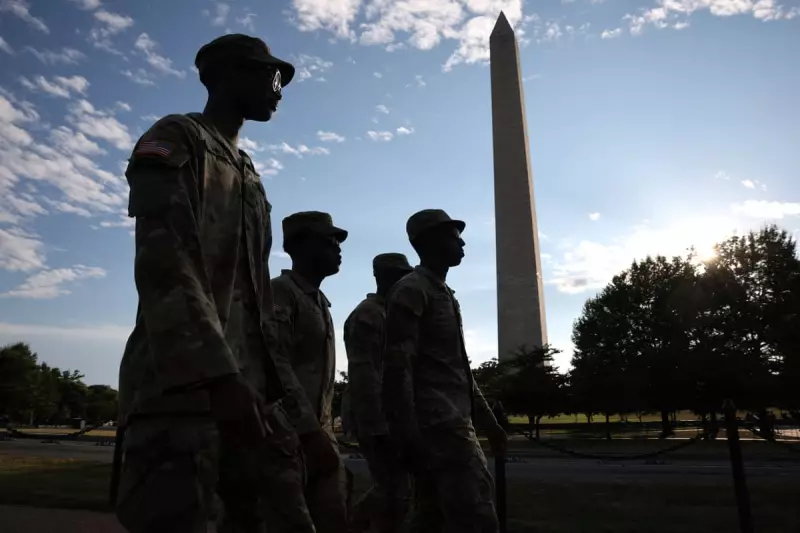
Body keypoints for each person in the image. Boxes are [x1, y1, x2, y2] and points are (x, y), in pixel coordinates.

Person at [115, 34, 315, 533]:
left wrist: (291, 409)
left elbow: (259, 303)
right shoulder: (178, 138)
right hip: (183, 394)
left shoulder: (249, 173)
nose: (279, 88)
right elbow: (166, 263)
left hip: (250, 401)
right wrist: (219, 376)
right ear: (230, 74)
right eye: (270, 75)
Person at [382, 209, 508, 533]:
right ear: (432, 241)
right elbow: (398, 368)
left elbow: (460, 371)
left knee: (430, 516)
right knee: (478, 516)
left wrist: (489, 424)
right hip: (439, 425)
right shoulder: (412, 290)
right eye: (455, 236)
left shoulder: (443, 294)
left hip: (451, 420)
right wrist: (407, 433)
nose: (463, 242)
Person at [271, 211, 350, 533]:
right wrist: (309, 432)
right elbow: (274, 365)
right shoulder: (280, 293)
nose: (338, 247)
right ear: (300, 245)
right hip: (283, 439)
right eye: (329, 240)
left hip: (316, 436)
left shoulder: (319, 302)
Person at [344, 253, 415, 533]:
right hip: (377, 420)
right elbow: (365, 375)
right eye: (401, 276)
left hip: (392, 417)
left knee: (395, 489)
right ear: (385, 278)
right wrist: (378, 427)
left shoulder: (389, 312)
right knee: (394, 491)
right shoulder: (369, 314)